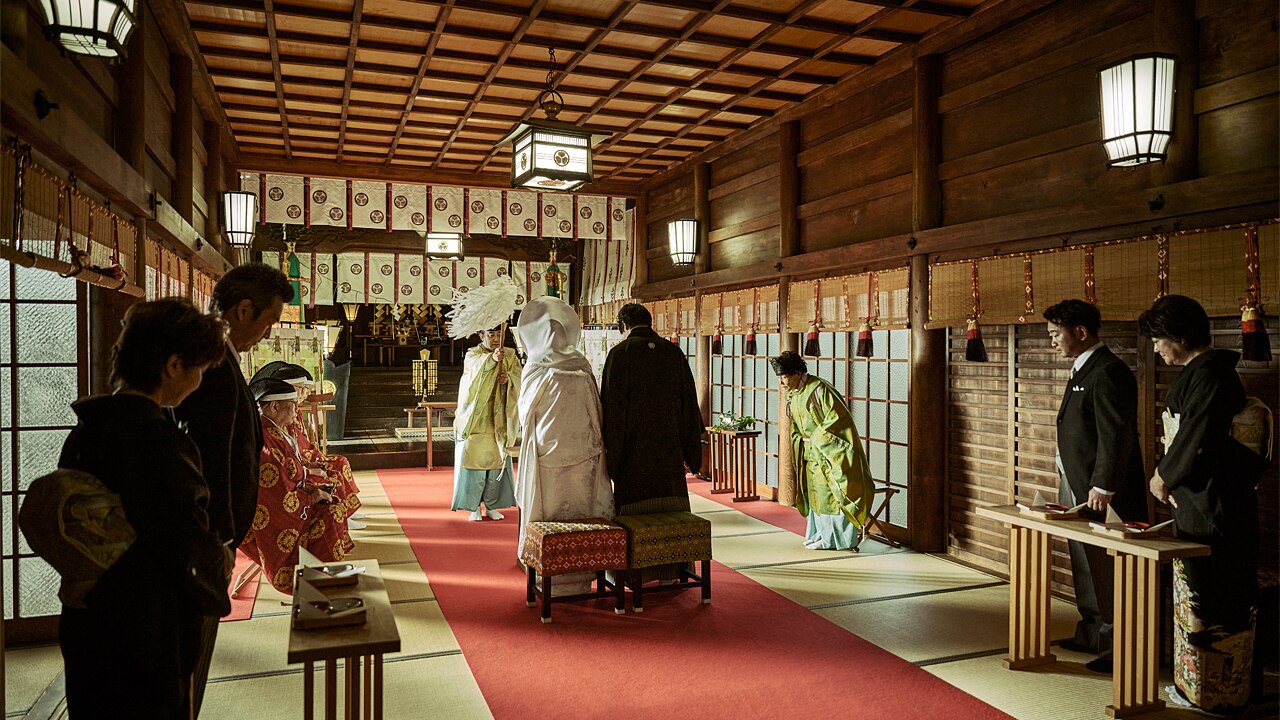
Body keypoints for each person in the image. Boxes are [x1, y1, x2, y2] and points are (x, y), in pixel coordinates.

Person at [56, 298, 232, 718]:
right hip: (143, 621)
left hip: (88, 612)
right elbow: (180, 538)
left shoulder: (87, 431)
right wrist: (218, 556)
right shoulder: (158, 442)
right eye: (200, 369)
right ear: (173, 366)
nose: (200, 380)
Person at [173, 261, 293, 714]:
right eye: (268, 322)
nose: (266, 334)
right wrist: (220, 539)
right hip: (207, 543)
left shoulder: (221, 360)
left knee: (192, 659)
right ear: (244, 310)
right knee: (188, 660)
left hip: (213, 538)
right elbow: (210, 462)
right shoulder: (213, 367)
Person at [1140, 294, 1269, 713]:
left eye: (1159, 339)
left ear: (1181, 336)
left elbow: (1198, 438)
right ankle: (1196, 686)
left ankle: (1221, 693)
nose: (1156, 348)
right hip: (1200, 499)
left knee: (1216, 600)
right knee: (1196, 595)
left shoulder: (1212, 376)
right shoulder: (1203, 373)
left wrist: (1164, 475)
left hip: (1217, 504)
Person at [1044, 299, 1148, 673]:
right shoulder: (1081, 368)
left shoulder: (1108, 371)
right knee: (1083, 560)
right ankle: (1091, 631)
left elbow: (1116, 435)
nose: (1052, 341)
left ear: (1081, 332)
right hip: (1077, 481)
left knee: (1108, 566)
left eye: (1057, 334)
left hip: (1102, 489)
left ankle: (1117, 644)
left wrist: (1104, 485)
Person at [514, 297, 615, 592]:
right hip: (584, 455)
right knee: (581, 515)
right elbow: (597, 414)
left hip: (548, 456)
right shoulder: (582, 368)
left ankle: (550, 580)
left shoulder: (535, 369)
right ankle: (581, 577)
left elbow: (525, 413)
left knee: (549, 515)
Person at [239, 377, 354, 593]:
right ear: (274, 406)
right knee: (328, 514)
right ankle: (317, 584)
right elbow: (274, 495)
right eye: (291, 406)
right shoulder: (264, 440)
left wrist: (312, 487)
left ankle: (323, 577)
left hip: (292, 498)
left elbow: (292, 470)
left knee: (332, 502)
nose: (295, 412)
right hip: (272, 515)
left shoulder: (274, 430)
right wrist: (311, 497)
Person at [601, 302, 703, 516]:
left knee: (634, 514)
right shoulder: (673, 352)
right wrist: (691, 453)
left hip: (633, 453)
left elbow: (613, 409)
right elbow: (689, 403)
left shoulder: (620, 354)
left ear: (624, 325)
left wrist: (612, 457)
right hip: (670, 447)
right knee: (672, 515)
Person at [770, 351, 873, 551]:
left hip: (829, 454)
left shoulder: (820, 389)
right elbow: (796, 428)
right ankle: (820, 535)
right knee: (817, 495)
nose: (782, 383)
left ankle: (838, 540)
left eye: (784, 377)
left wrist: (815, 439)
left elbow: (838, 420)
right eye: (780, 378)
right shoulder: (795, 394)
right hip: (811, 453)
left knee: (832, 495)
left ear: (798, 373)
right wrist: (800, 440)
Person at [447, 277, 522, 521]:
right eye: (490, 334)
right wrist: (491, 362)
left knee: (496, 463)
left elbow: (519, 378)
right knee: (474, 464)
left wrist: (508, 379)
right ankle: (472, 507)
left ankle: (491, 505)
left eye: (497, 334)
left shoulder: (509, 355)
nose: (494, 338)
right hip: (477, 419)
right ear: (481, 335)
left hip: (499, 416)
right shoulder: (473, 354)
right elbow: (472, 376)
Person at [252, 363, 363, 528]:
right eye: (302, 388)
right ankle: (340, 518)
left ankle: (344, 514)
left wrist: (310, 464)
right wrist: (309, 482)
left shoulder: (279, 418)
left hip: (298, 471)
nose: (305, 394)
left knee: (339, 465)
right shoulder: (268, 432)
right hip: (279, 504)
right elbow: (280, 479)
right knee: (332, 481)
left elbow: (297, 449)